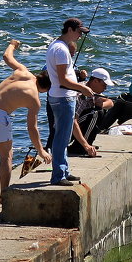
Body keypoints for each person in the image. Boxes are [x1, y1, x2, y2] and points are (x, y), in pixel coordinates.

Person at [0, 39, 52, 201]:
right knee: (6, 156)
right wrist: (41, 150)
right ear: (46, 88)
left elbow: (6, 56)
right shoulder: (34, 99)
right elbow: (32, 128)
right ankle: (4, 195)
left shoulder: (23, 71)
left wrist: (13, 45)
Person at [45, 18, 98, 186]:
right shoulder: (61, 50)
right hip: (63, 97)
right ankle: (58, 176)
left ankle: (64, 171)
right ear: (69, 29)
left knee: (65, 135)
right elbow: (62, 80)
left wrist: (78, 86)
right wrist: (81, 88)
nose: (80, 36)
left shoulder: (57, 46)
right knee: (61, 137)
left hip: (60, 96)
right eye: (79, 32)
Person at [69, 67, 115, 154]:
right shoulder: (81, 94)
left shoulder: (92, 89)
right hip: (68, 129)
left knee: (100, 110)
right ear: (95, 81)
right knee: (95, 114)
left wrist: (101, 104)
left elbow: (110, 103)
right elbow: (72, 122)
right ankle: (79, 147)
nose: (105, 88)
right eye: (104, 85)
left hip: (77, 126)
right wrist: (85, 146)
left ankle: (86, 144)